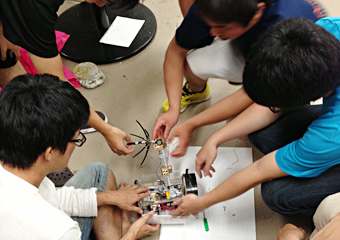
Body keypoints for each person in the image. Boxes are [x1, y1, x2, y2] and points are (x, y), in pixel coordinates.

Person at [170, 17, 340, 221]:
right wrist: (214, 138)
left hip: (333, 138)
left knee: (278, 194)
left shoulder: (331, 135)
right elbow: (269, 106)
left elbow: (261, 169)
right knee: (263, 134)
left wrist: (202, 202)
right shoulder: (324, 33)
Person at [0, 74, 159, 240]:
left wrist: (112, 198)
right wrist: (132, 235)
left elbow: (52, 198)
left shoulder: (21, 172)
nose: (76, 144)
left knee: (98, 172)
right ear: (49, 152)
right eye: (77, 138)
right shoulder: (60, 231)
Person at [152, 0, 326, 149]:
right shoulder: (214, 7)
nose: (213, 33)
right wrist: (173, 110)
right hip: (253, 46)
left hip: (296, 67)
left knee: (245, 129)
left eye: (221, 27)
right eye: (210, 25)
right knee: (192, 64)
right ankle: (197, 92)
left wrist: (195, 125)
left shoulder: (286, 39)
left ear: (257, 12)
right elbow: (176, 52)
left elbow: (250, 94)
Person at [0, 0, 138, 157]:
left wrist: (3, 29)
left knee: (5, 55)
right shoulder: (36, 8)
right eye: (102, 0)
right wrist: (106, 129)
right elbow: (58, 85)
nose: (100, 6)